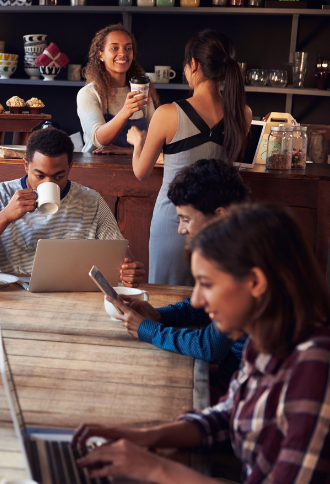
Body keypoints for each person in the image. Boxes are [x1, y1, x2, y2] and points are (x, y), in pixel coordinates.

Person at [75, 204, 330, 483]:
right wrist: (144, 436)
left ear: (256, 282)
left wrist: (154, 468)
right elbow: (228, 416)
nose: (196, 300)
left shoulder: (315, 365)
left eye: (206, 284)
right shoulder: (264, 339)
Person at [107, 159, 250, 397]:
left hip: (238, 390)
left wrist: (147, 329)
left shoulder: (242, 263)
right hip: (230, 375)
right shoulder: (239, 245)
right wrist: (160, 315)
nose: (180, 230)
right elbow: (207, 310)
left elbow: (210, 346)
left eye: (186, 219)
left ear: (220, 216)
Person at [128, 30, 252, 285]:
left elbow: (141, 172)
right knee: (209, 301)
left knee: (166, 302)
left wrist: (138, 142)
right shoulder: (244, 113)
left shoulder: (167, 113)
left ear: (193, 64)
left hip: (173, 220)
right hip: (217, 222)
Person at [0, 128, 145, 287]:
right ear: (26, 165)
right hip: (15, 298)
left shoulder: (91, 201)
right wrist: (5, 215)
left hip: (75, 298)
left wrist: (129, 272)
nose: (48, 184)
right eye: (39, 176)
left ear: (70, 168)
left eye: (59, 176)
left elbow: (123, 260)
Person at [77, 24, 158, 155]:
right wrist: (126, 111)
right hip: (96, 170)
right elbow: (100, 140)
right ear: (101, 55)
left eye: (128, 48)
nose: (123, 53)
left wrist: (126, 151)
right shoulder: (89, 93)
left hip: (137, 169)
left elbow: (155, 140)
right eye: (114, 48)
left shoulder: (142, 91)